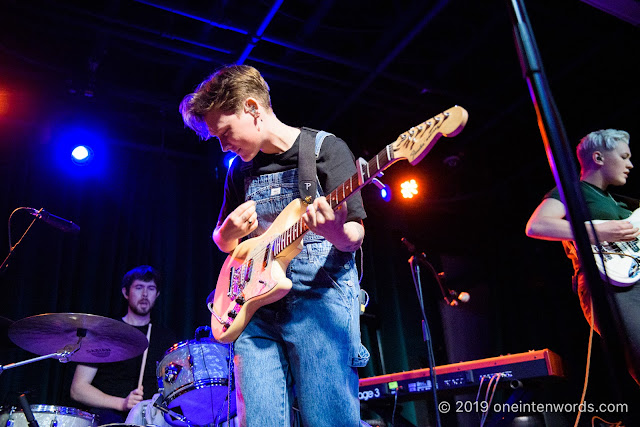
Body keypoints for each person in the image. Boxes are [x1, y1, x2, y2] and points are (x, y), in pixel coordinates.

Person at [180, 64, 370, 426]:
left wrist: (333, 231)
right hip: (255, 311)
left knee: (328, 420)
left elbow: (354, 236)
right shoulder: (239, 170)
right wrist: (226, 233)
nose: (223, 145)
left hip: (320, 302)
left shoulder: (324, 150)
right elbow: (223, 241)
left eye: (225, 132)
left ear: (252, 108)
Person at [525, 129, 639, 386]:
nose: (630, 164)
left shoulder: (622, 203)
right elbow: (537, 226)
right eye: (624, 156)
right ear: (598, 158)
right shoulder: (572, 191)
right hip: (610, 287)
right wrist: (598, 229)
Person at [70, 265, 177, 424]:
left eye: (151, 288)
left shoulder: (166, 338)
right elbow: (78, 389)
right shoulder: (105, 333)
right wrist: (122, 404)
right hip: (108, 417)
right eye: (139, 287)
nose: (145, 294)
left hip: (151, 417)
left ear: (158, 294)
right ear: (126, 292)